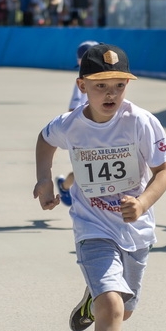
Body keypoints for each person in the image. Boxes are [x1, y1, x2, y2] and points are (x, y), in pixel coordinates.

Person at [34, 44, 166, 331]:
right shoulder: (70, 123)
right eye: (100, 86)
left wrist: (144, 201)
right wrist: (45, 178)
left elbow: (165, 170)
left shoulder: (141, 122)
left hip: (136, 231)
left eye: (118, 85)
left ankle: (91, 298)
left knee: (120, 312)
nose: (110, 93)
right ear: (82, 86)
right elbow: (45, 140)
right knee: (111, 307)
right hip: (92, 226)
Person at [55, 40, 100, 207]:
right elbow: (72, 109)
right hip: (88, 131)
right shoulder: (83, 80)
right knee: (86, 171)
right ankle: (65, 186)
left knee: (92, 170)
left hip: (99, 129)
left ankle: (65, 186)